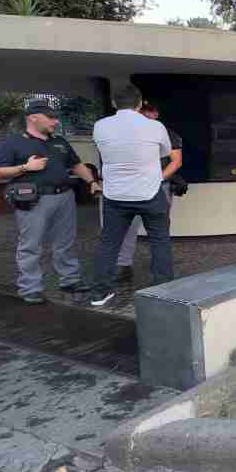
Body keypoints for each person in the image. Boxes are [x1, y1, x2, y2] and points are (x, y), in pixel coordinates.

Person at [0, 102, 101, 304]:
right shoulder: (13, 143)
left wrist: (92, 182)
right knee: (31, 245)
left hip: (64, 197)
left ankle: (70, 280)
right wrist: (25, 167)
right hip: (34, 200)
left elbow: (76, 165)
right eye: (50, 117)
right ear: (33, 117)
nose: (55, 121)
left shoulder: (59, 141)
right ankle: (30, 289)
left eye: (55, 117)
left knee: (65, 242)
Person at [89, 85, 173, 307]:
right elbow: (165, 152)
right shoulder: (155, 126)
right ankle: (163, 290)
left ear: (114, 104)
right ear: (140, 103)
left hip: (115, 196)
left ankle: (100, 293)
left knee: (108, 243)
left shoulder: (100, 126)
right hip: (150, 193)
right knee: (160, 241)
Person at [114, 102, 182, 283]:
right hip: (131, 186)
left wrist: (157, 178)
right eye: (145, 115)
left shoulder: (168, 134)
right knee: (128, 227)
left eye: (151, 115)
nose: (149, 118)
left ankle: (160, 273)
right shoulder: (127, 134)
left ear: (156, 115)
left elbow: (176, 161)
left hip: (158, 187)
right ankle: (123, 265)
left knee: (159, 231)